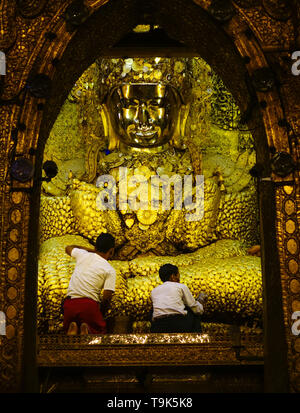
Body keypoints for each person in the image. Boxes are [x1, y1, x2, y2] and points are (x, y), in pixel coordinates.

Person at [63, 232, 116, 335]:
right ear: (112, 251)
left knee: (69, 336)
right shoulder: (110, 269)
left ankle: (74, 327)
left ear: (96, 247)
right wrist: (101, 313)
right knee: (99, 333)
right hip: (89, 306)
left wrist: (92, 251)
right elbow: (107, 297)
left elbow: (68, 247)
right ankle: (86, 329)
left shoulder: (82, 255)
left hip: (70, 305)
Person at [150, 263, 205, 333]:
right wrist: (201, 303)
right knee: (193, 311)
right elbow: (194, 307)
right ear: (173, 276)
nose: (179, 277)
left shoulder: (154, 291)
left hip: (158, 326)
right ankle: (196, 340)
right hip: (178, 324)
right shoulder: (181, 286)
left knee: (152, 311)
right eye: (178, 274)